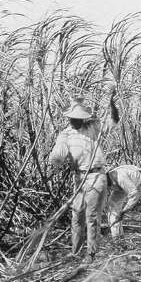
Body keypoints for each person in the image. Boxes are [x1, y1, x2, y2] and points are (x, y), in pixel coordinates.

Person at [48, 101, 108, 256]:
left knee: (92, 217)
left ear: (83, 119)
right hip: (79, 177)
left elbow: (112, 121)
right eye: (72, 118)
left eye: (78, 118)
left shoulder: (93, 127)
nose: (75, 121)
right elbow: (58, 153)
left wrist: (112, 103)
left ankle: (91, 254)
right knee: (77, 215)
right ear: (68, 118)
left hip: (96, 175)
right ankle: (76, 252)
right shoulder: (66, 134)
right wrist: (55, 160)